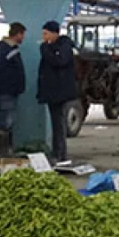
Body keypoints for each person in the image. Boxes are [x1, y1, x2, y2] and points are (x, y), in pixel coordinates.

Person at [37, 21, 78, 163]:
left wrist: (45, 50)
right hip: (53, 91)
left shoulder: (63, 47)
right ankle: (58, 152)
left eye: (46, 33)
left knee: (58, 123)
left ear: (54, 33)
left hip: (59, 92)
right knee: (56, 123)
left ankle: (59, 153)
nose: (44, 37)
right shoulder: (54, 47)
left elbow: (59, 62)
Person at [0, 22, 26, 157]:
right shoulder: (6, 50)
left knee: (3, 121)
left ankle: (1, 151)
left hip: (5, 90)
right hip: (4, 91)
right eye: (23, 35)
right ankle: (0, 153)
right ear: (18, 34)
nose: (23, 38)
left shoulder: (3, 49)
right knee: (3, 122)